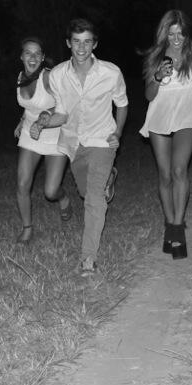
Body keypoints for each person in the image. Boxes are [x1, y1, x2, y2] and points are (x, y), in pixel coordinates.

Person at [49, 18, 128, 276]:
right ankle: (109, 178)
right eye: (76, 41)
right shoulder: (57, 75)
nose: (81, 47)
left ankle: (88, 258)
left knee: (94, 198)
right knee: (85, 192)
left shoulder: (111, 72)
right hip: (74, 142)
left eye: (87, 42)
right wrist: (42, 121)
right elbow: (61, 111)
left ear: (95, 44)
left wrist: (117, 132)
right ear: (68, 43)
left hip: (102, 139)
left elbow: (122, 104)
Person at [139, 10, 192, 259]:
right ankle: (169, 224)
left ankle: (177, 229)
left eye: (180, 34)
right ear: (164, 34)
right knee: (165, 175)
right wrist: (157, 76)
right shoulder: (155, 56)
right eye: (171, 34)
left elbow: (191, 81)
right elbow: (149, 95)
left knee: (178, 169)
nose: (176, 39)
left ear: (187, 34)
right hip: (160, 112)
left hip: (187, 112)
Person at [14, 37, 71, 244]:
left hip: (55, 134)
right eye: (28, 53)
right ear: (21, 56)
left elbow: (66, 104)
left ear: (43, 57)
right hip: (30, 133)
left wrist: (46, 113)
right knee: (22, 184)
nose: (33, 57)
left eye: (37, 53)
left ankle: (63, 198)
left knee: (50, 191)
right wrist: (22, 121)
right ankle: (27, 228)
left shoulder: (48, 77)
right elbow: (29, 106)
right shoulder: (21, 77)